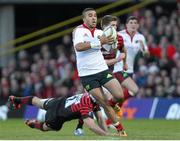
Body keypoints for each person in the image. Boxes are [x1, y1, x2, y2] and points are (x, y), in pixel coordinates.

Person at [72, 7, 126, 136]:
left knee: (119, 95)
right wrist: (98, 42)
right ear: (84, 18)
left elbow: (110, 50)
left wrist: (113, 43)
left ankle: (113, 105)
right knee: (103, 103)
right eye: (90, 15)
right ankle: (121, 130)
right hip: (87, 75)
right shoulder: (79, 31)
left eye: (95, 15)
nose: (93, 18)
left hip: (102, 70)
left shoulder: (100, 32)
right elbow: (79, 47)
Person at [7, 93, 121, 136]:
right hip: (56, 115)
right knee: (48, 128)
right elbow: (92, 127)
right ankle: (33, 124)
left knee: (37, 101)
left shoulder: (89, 95)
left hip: (58, 101)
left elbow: (100, 118)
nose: (107, 99)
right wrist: (107, 135)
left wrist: (106, 131)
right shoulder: (87, 104)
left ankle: (16, 99)